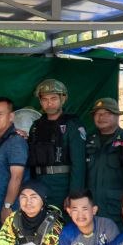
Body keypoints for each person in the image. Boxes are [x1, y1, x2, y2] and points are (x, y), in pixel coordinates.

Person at [27, 79, 87, 212]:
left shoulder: (72, 125)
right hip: (39, 183)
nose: (49, 103)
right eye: (44, 99)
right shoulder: (36, 126)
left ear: (63, 99)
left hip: (62, 185)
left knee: (61, 221)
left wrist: (74, 194)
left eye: (53, 98)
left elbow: (79, 163)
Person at [85, 97, 123, 223]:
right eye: (97, 114)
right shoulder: (88, 140)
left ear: (117, 116)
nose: (101, 117)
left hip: (116, 207)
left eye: (107, 113)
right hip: (90, 206)